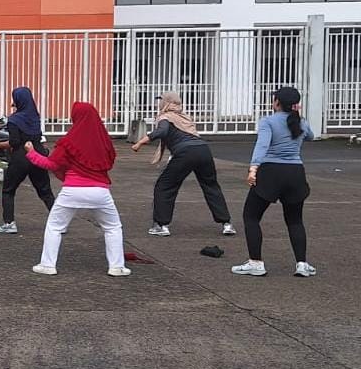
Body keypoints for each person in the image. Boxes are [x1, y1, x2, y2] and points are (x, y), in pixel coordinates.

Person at [26, 102, 129, 277]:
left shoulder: (68, 141)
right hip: (100, 191)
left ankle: (48, 265)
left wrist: (31, 152)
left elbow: (51, 164)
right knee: (112, 227)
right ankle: (117, 266)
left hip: (72, 190)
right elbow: (109, 162)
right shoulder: (104, 140)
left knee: (55, 226)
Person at [232, 87, 317, 278]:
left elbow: (262, 145)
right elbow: (311, 136)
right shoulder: (301, 122)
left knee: (251, 216)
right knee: (295, 220)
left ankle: (256, 263)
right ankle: (302, 264)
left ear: (277, 102)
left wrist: (253, 168)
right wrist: (298, 119)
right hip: (295, 173)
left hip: (271, 172)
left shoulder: (268, 121)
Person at [129, 92, 235, 237]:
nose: (159, 104)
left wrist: (140, 142)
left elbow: (162, 131)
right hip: (203, 150)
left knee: (164, 186)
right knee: (211, 186)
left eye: (161, 101)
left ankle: (161, 225)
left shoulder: (165, 117)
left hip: (185, 153)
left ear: (166, 103)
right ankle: (227, 224)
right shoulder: (185, 117)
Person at [0, 87, 56, 234]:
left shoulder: (14, 120)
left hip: (20, 157)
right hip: (37, 154)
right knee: (45, 191)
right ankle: (59, 222)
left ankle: (9, 223)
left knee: (9, 190)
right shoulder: (35, 117)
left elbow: (15, 142)